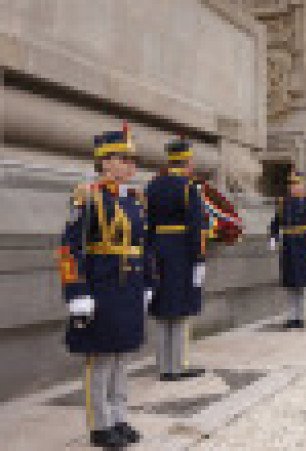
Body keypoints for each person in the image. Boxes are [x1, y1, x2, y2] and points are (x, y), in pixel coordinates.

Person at [59, 125, 148, 447]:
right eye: (124, 159)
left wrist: (147, 283)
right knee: (101, 358)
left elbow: (142, 246)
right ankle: (99, 424)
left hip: (128, 288)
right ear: (105, 161)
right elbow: (70, 248)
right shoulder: (88, 196)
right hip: (100, 289)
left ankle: (118, 416)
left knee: (122, 356)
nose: (131, 165)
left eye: (132, 159)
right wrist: (77, 292)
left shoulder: (135, 200)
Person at [145, 138, 208, 381]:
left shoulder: (153, 185)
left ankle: (163, 366)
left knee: (162, 310)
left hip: (158, 250)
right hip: (182, 252)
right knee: (180, 311)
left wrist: (149, 251)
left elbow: (148, 222)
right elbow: (195, 226)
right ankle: (178, 366)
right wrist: (199, 258)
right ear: (187, 162)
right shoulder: (187, 188)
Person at [269, 171, 306, 328]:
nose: (294, 187)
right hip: (288, 247)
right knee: (290, 283)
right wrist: (273, 237)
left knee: (303, 283)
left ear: (302, 186)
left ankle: (302, 316)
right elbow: (276, 222)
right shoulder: (283, 204)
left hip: (304, 245)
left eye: (296, 184)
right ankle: (291, 317)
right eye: (291, 185)